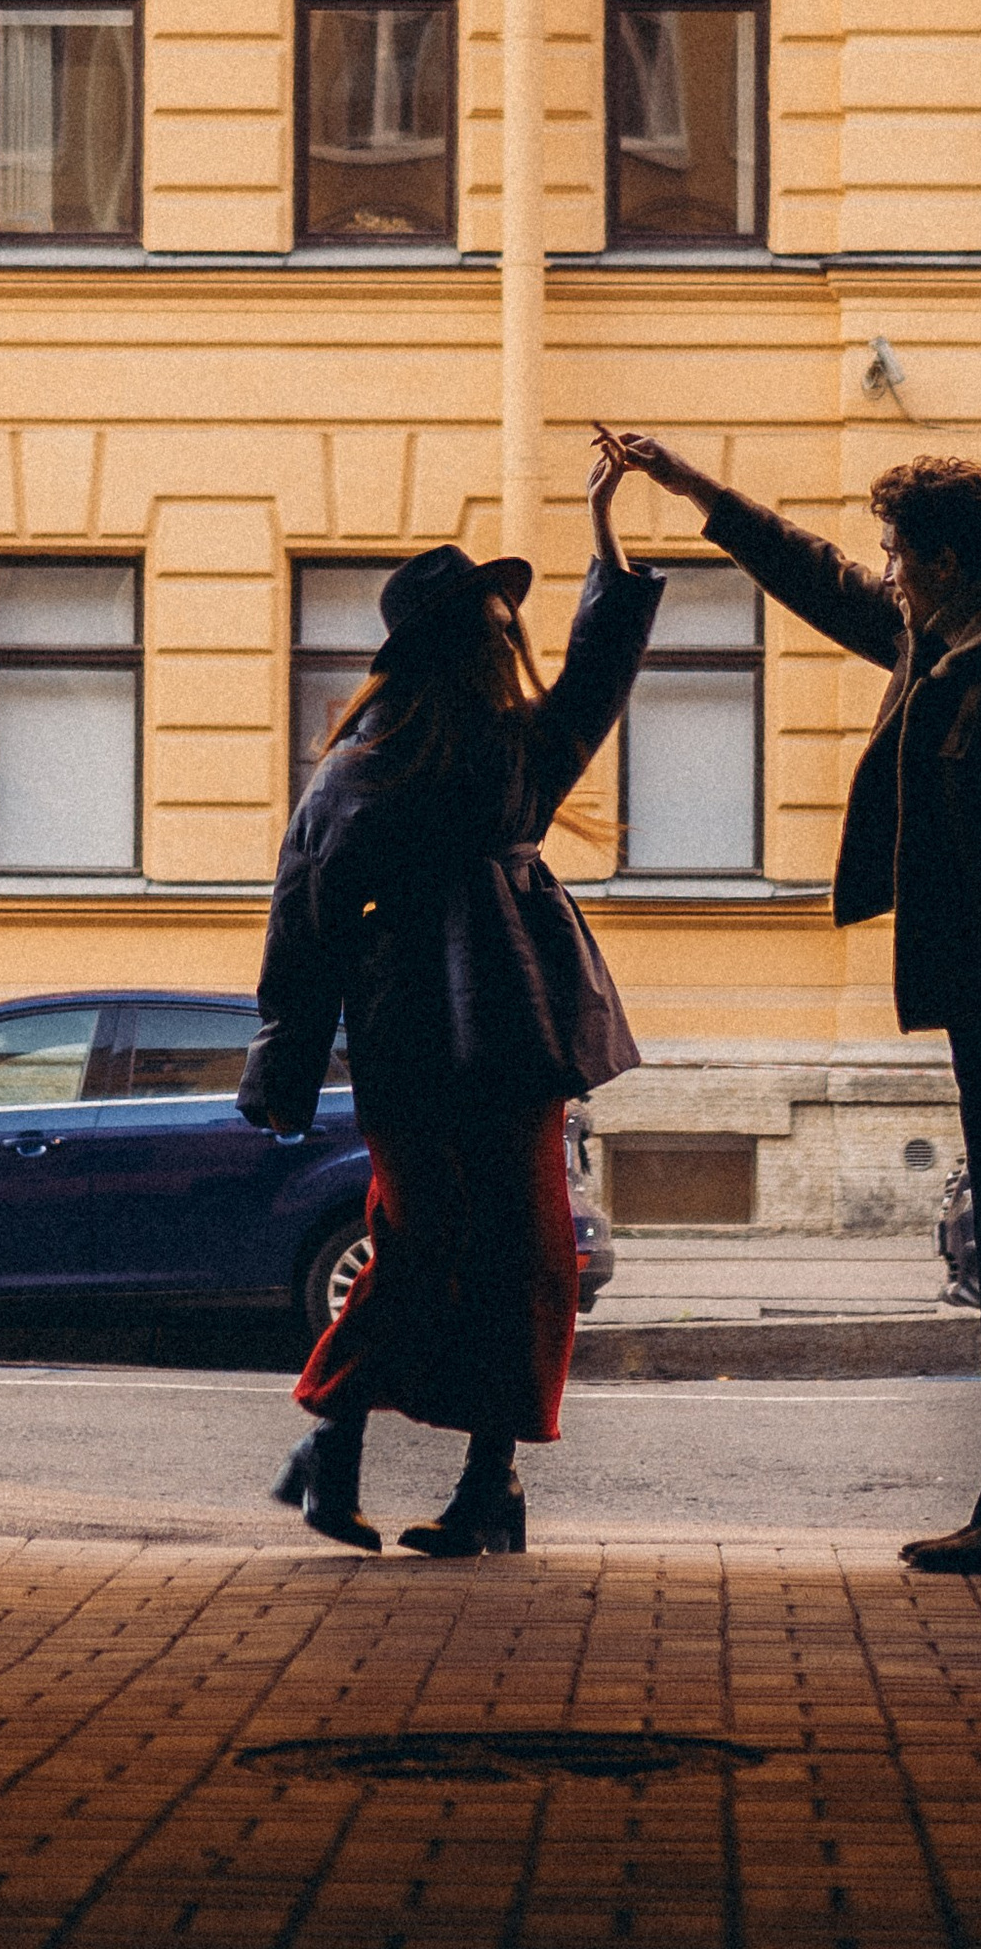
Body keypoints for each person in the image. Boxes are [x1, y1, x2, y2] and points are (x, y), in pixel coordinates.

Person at [605, 431, 981, 1578]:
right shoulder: (950, 636)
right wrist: (698, 492)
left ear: (944, 563)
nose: (886, 571)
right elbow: (825, 582)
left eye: (898, 553)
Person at [239, 438, 661, 1555]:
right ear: (452, 643)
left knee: (518, 1260)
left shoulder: (515, 749)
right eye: (489, 621)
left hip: (498, 1033)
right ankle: (334, 1451)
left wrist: (607, 534)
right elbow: (303, 925)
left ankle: (483, 1489)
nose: (506, 634)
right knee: (432, 1250)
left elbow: (600, 668)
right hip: (442, 1036)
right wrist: (282, 1066)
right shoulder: (363, 772)